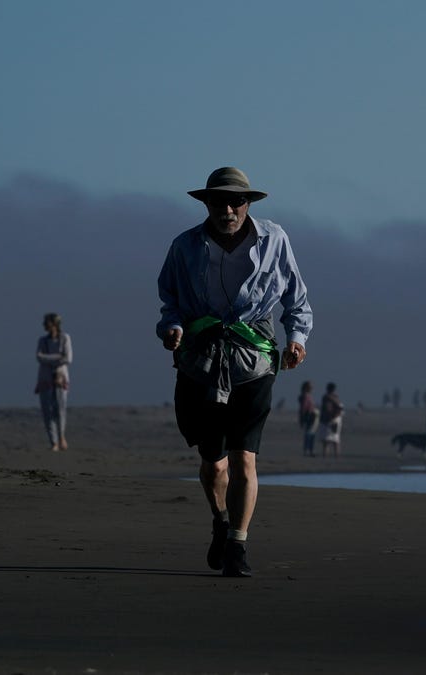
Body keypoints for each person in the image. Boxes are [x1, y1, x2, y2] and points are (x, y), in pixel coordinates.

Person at [157, 167, 312, 578]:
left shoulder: (274, 239)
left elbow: (297, 299)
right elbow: (168, 299)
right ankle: (220, 521)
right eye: (218, 202)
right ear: (206, 204)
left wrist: (296, 339)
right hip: (201, 361)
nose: (227, 209)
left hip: (255, 360)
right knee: (215, 464)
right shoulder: (185, 246)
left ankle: (239, 544)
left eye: (236, 201)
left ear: (248, 204)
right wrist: (171, 329)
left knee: (245, 459)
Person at [35, 312, 73, 451]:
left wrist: (49, 359)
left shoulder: (65, 338)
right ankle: (53, 442)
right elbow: (39, 357)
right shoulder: (42, 341)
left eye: (47, 322)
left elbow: (68, 358)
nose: (44, 325)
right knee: (47, 411)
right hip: (45, 379)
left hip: (60, 378)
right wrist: (57, 357)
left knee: (60, 409)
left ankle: (61, 437)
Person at [320, 382, 344, 457]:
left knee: (327, 440)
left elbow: (327, 409)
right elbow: (340, 408)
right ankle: (336, 455)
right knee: (335, 439)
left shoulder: (326, 397)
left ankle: (325, 455)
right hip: (336, 419)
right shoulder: (336, 397)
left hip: (329, 420)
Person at [298, 381, 319, 456]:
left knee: (311, 434)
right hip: (309, 416)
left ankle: (310, 450)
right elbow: (303, 408)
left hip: (312, 416)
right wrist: (302, 418)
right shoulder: (306, 396)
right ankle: (308, 451)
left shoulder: (307, 396)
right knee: (309, 434)